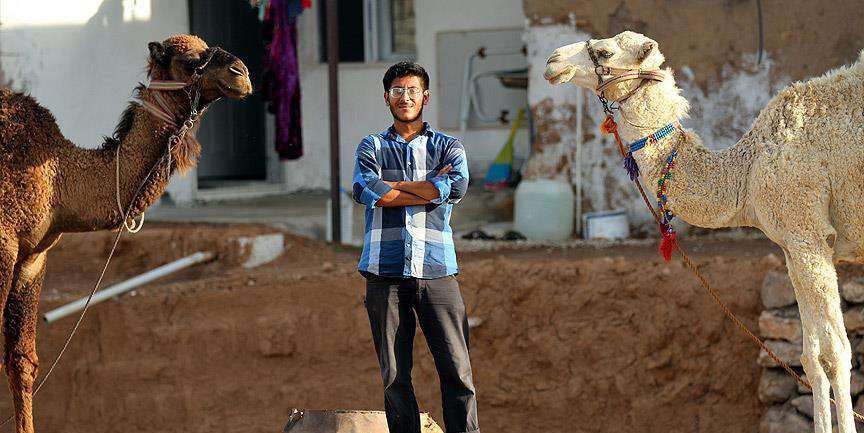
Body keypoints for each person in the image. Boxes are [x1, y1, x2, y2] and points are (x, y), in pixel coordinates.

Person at [351, 61, 479, 433]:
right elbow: (366, 189)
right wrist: (430, 187)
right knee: (394, 376)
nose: (404, 98)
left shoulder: (448, 146)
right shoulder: (372, 146)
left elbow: (456, 186)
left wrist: (392, 189)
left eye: (412, 91)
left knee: (457, 370)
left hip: (438, 272)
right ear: (386, 97)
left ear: (425, 97)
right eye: (397, 91)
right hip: (384, 273)